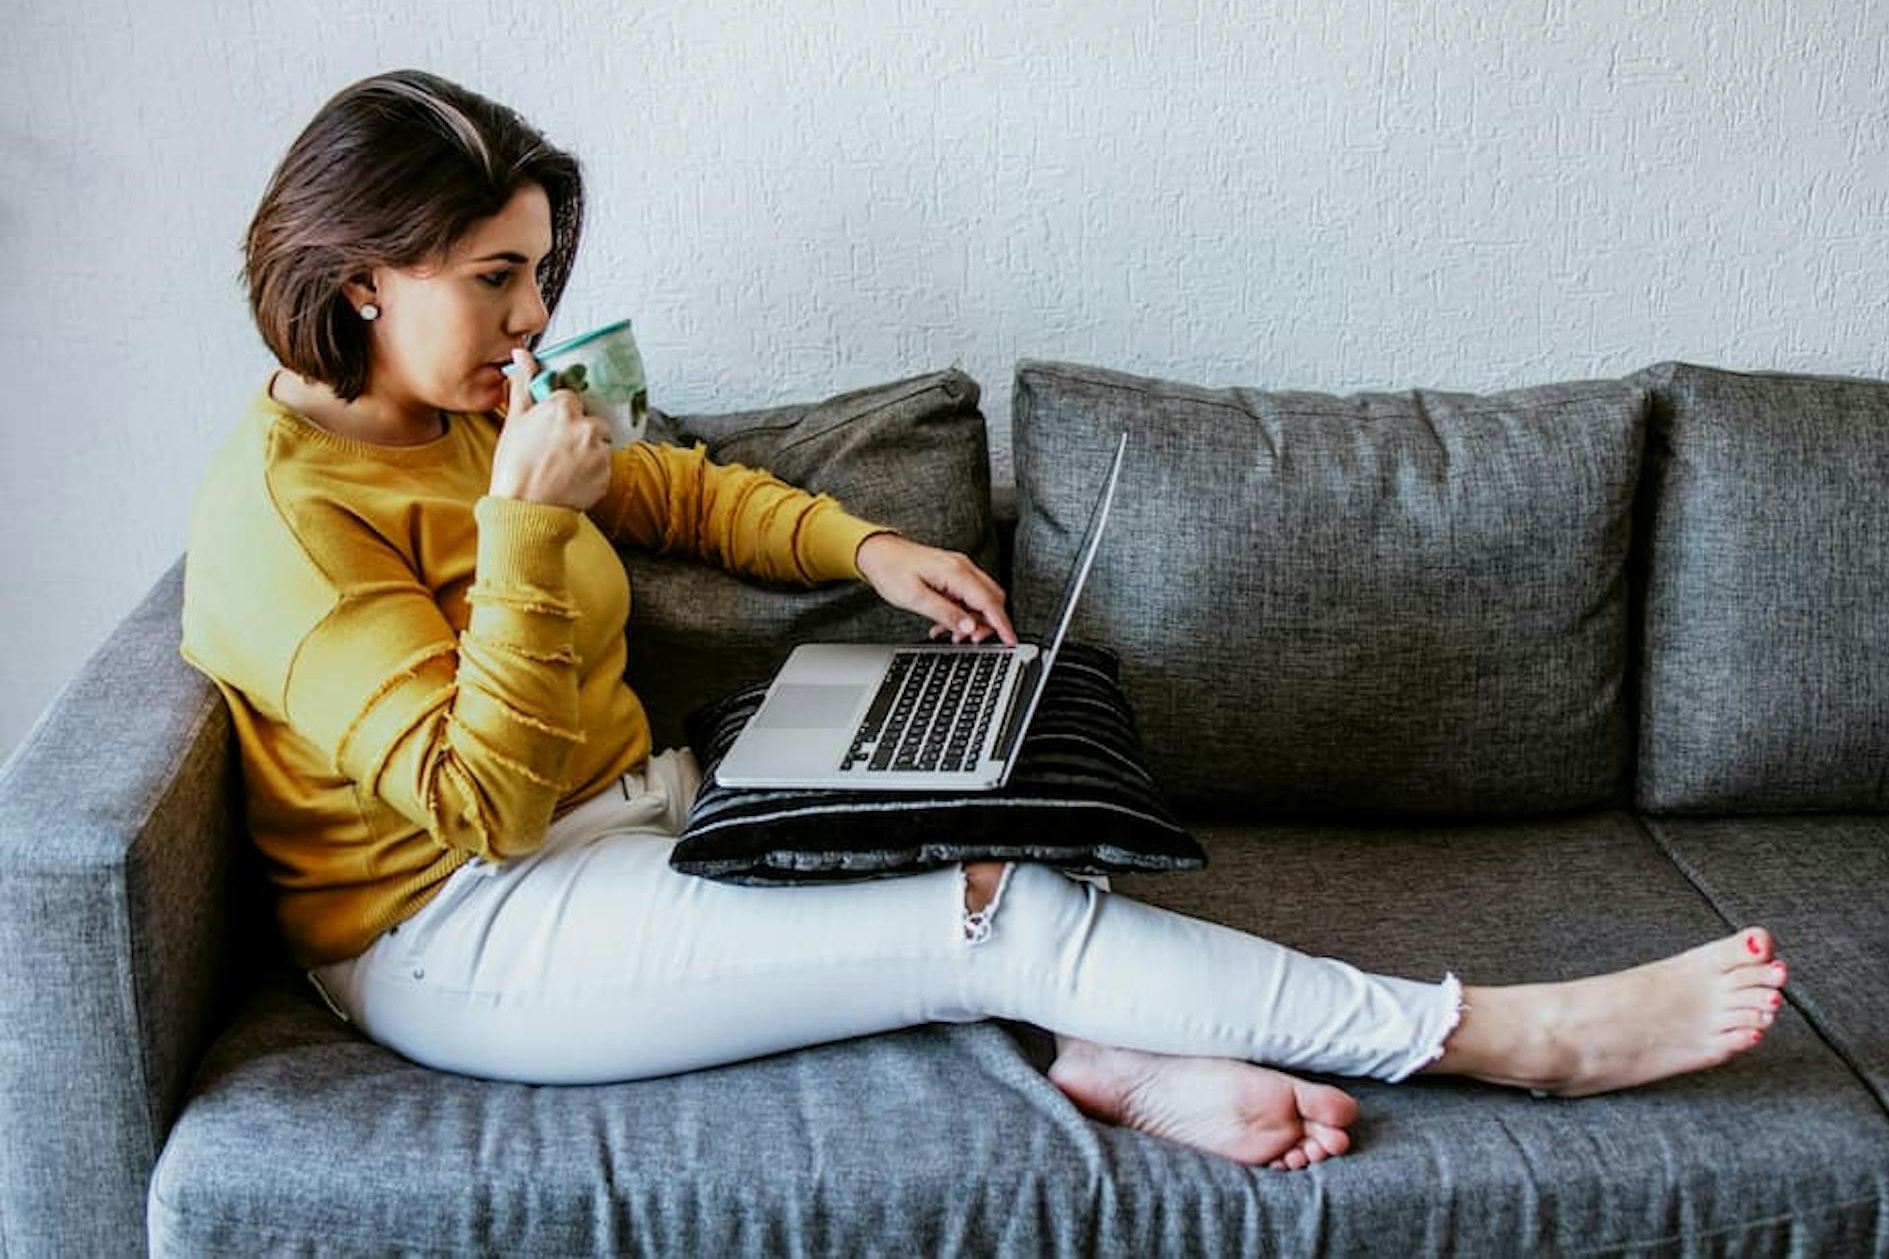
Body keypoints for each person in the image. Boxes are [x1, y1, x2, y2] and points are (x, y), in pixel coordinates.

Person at [182, 70, 1789, 1173]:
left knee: (1015, 768)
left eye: (539, 272)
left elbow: (668, 487)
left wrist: (865, 542)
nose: (535, 319)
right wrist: (528, 525)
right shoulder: (282, 523)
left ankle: (1116, 1056)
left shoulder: (464, 400)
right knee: (986, 902)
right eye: (496, 275)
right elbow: (481, 801)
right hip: (464, 925)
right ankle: (1493, 1033)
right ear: (366, 274)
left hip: (644, 811)